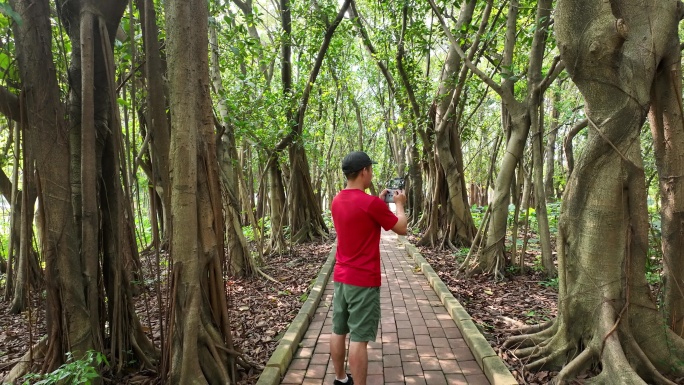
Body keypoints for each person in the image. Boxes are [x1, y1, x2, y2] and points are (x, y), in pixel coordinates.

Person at [329, 151, 408, 385]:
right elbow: (401, 228)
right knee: (359, 338)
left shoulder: (336, 200)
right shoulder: (371, 203)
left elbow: (359, 214)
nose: (371, 173)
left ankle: (340, 379)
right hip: (363, 280)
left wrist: (377, 199)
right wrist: (399, 205)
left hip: (341, 277)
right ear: (364, 171)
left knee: (338, 330)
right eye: (370, 170)